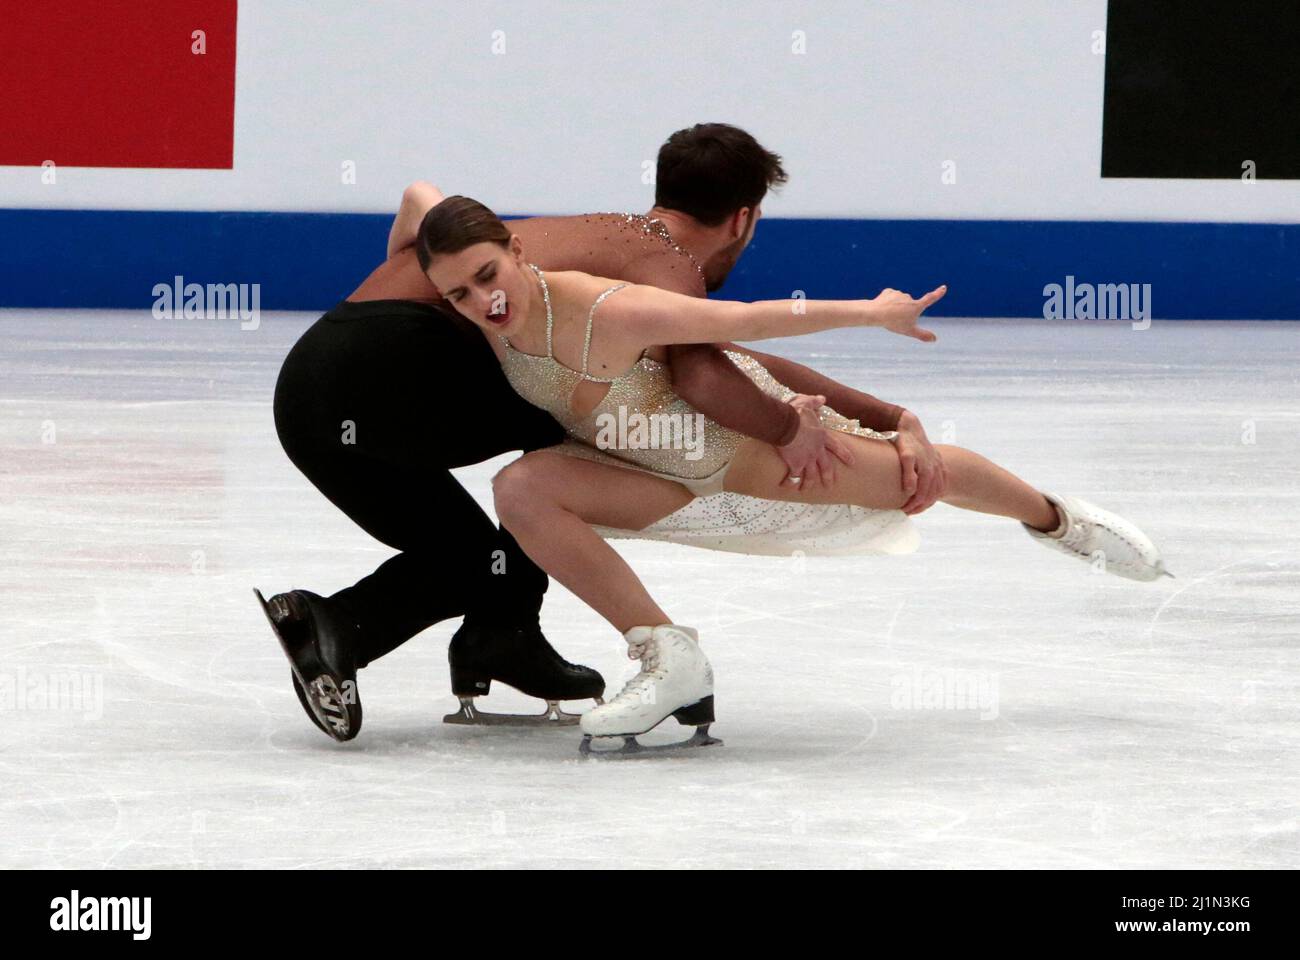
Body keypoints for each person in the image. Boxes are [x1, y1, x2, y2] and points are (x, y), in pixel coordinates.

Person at [416, 196, 1172, 754]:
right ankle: (668, 656)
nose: (485, 301)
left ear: (517, 249)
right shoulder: (493, 323)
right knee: (521, 489)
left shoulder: (608, 310)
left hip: (756, 454)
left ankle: (1057, 519)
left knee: (917, 476)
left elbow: (748, 324)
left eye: (488, 275)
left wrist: (871, 313)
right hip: (651, 474)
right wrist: (414, 219)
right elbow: (419, 198)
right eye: (459, 294)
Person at [260, 123, 942, 741]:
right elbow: (710, 374)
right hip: (393, 373)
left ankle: (367, 629)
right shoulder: (664, 265)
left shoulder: (583, 234)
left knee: (475, 552)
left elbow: (419, 199)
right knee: (588, 423)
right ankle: (509, 632)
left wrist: (418, 269)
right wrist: (800, 426)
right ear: (744, 219)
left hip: (309, 389)